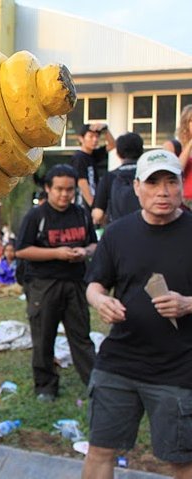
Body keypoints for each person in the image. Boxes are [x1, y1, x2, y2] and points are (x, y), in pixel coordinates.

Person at [83, 149, 192, 479]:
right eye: (153, 182)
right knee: (100, 450)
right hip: (120, 361)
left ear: (180, 186)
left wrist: (188, 303)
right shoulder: (118, 233)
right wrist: (101, 302)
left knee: (181, 460)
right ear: (136, 187)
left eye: (170, 182)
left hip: (179, 367)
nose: (162, 191)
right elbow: (95, 285)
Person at [15, 164, 97, 401]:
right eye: (59, 189)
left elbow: (94, 243)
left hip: (76, 282)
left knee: (81, 336)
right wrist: (57, 253)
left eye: (69, 190)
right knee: (43, 337)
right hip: (43, 284)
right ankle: (45, 386)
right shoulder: (36, 216)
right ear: (48, 188)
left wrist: (84, 251)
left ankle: (93, 383)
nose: (64, 195)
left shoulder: (81, 213)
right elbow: (22, 250)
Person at [91, 132, 144, 225]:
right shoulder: (147, 175)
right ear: (141, 151)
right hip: (146, 230)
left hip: (119, 231)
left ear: (118, 153)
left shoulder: (109, 177)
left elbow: (98, 214)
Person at [70, 123, 116, 215]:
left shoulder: (93, 155)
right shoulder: (79, 157)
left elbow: (112, 145)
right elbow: (82, 182)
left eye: (97, 137)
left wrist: (105, 129)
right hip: (83, 205)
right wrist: (93, 206)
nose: (95, 140)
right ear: (81, 138)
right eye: (91, 137)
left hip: (93, 203)